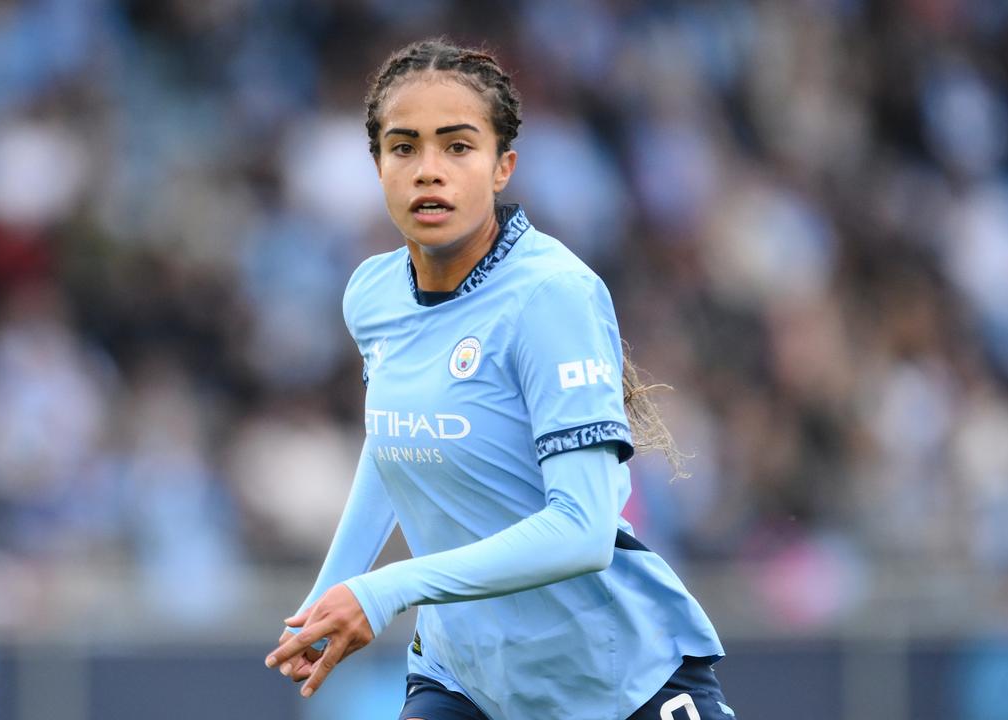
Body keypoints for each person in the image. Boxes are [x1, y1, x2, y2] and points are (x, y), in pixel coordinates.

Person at [265, 38, 733, 720]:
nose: (429, 171)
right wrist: (332, 592)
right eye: (404, 147)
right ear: (376, 165)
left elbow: (583, 528)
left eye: (457, 147)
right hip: (466, 684)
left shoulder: (551, 296)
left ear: (502, 166)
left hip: (617, 684)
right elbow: (397, 440)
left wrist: (388, 588)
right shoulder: (371, 295)